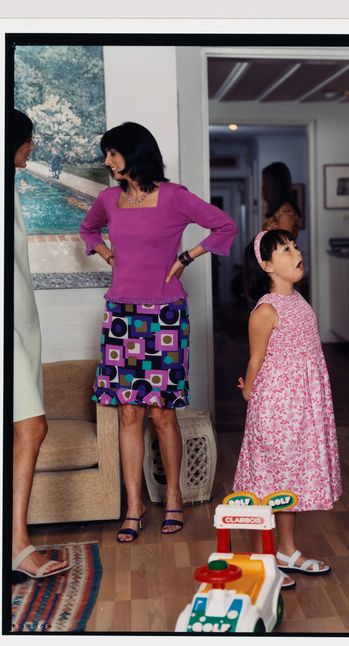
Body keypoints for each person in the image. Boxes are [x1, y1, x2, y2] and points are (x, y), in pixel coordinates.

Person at [79, 121, 237, 543]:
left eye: (113, 152)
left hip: (166, 317)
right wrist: (110, 257)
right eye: (106, 153)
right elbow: (88, 230)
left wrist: (186, 256)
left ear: (136, 152)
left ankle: (173, 498)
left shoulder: (174, 197)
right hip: (121, 316)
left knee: (163, 415)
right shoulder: (109, 199)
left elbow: (225, 227)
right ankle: (133, 506)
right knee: (129, 413)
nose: (107, 161)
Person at [234, 229, 342, 590]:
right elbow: (255, 359)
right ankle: (263, 560)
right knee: (267, 482)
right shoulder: (266, 310)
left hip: (302, 409)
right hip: (276, 409)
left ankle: (287, 551)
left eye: (295, 246)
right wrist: (248, 391)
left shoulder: (300, 301)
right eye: (285, 249)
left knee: (289, 481)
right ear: (266, 265)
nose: (296, 251)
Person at [10, 109, 70, 580]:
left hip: (20, 328)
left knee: (25, 429)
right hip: (4, 329)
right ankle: (16, 545)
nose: (32, 147)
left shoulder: (5, 188)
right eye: (28, 140)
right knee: (31, 429)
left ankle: (11, 543)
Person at [261, 162, 302, 239]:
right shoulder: (278, 210)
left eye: (264, 182)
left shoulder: (285, 212)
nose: (262, 186)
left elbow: (284, 245)